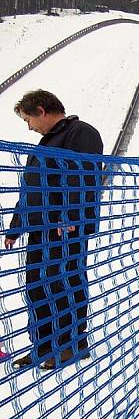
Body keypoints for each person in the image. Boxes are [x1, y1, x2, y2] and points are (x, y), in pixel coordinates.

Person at [5, 90, 103, 369]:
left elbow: (85, 175)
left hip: (66, 228)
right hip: (41, 229)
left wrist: (70, 214)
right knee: (37, 286)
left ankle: (72, 344)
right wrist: (16, 226)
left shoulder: (80, 133)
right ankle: (44, 346)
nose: (29, 126)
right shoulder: (42, 146)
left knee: (62, 282)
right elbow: (30, 190)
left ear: (41, 110)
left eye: (28, 119)